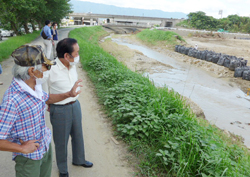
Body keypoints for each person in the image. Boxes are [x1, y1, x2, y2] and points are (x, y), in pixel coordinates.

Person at [0, 45, 82, 177]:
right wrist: (21, 148)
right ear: (32, 71)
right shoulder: (12, 101)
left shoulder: (34, 86)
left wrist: (68, 94)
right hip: (29, 158)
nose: (47, 70)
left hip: (44, 147)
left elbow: (47, 98)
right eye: (46, 67)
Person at [44, 38, 93, 177]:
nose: (78, 56)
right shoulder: (49, 69)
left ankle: (79, 159)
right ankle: (63, 169)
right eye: (76, 53)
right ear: (66, 55)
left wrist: (72, 96)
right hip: (59, 110)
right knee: (61, 141)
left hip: (75, 105)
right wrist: (61, 97)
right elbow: (44, 96)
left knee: (78, 135)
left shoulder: (72, 65)